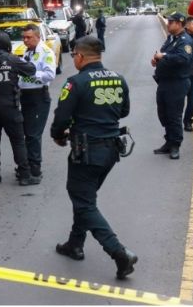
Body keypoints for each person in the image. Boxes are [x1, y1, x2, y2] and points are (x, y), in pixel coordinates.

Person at [50, 36, 137, 280]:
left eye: (73, 56)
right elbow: (124, 111)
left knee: (84, 201)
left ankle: (119, 253)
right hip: (110, 151)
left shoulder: (75, 83)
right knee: (85, 198)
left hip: (86, 152)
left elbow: (61, 118)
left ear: (79, 55)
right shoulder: (118, 79)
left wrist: (58, 135)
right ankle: (74, 244)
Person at [0, 31, 40, 186]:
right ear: (7, 44)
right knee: (18, 141)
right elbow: (31, 70)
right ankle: (25, 175)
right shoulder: (12, 60)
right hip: (9, 106)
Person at [152, 12, 193, 159]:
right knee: (163, 113)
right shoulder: (171, 38)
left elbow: (182, 58)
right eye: (168, 22)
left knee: (174, 115)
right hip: (164, 82)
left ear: (179, 23)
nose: (168, 24)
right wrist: (156, 60)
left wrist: (163, 57)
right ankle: (169, 142)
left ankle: (175, 145)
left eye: (171, 22)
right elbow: (163, 53)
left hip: (177, 83)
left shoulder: (185, 40)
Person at [19, 23, 57, 179]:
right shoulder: (27, 52)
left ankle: (35, 168)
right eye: (24, 38)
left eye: (29, 37)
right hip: (25, 96)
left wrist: (30, 74)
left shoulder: (45, 52)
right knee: (27, 133)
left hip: (38, 97)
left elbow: (50, 75)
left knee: (34, 134)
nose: (25, 40)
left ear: (37, 36)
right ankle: (27, 164)